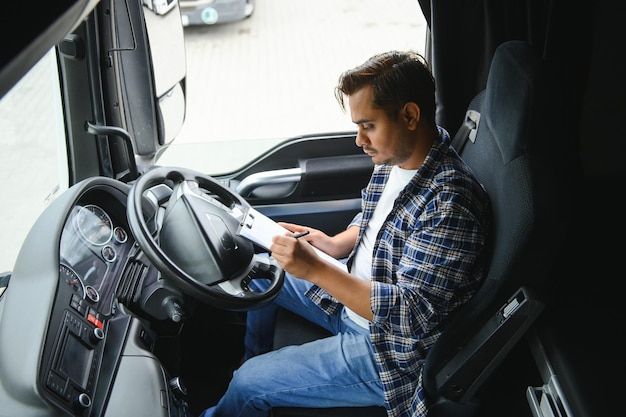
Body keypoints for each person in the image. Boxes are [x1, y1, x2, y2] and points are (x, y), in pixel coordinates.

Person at [198, 50, 491, 417]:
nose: (358, 140)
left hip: (386, 347)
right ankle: (256, 366)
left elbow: (411, 315)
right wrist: (334, 244)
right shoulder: (398, 158)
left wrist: (316, 269)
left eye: (368, 125)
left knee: (248, 384)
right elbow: (375, 216)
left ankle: (252, 388)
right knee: (260, 272)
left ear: (410, 116)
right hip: (351, 295)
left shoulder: (450, 201)